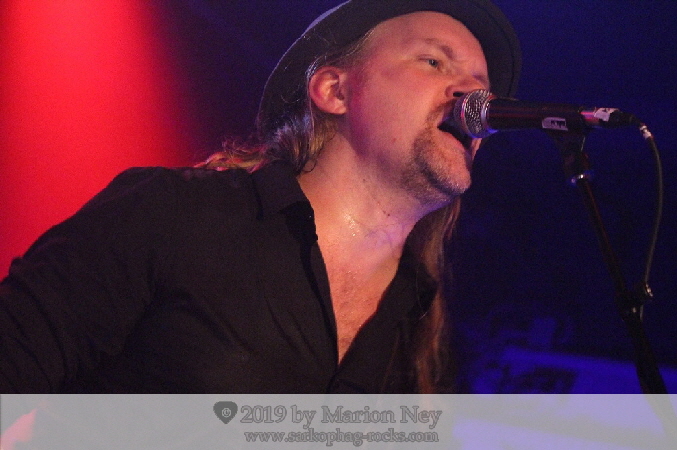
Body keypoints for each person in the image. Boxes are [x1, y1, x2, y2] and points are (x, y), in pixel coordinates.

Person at [0, 0, 520, 395]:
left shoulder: (424, 328)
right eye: (433, 62)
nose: (472, 96)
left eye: (483, 88)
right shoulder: (172, 215)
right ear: (335, 91)